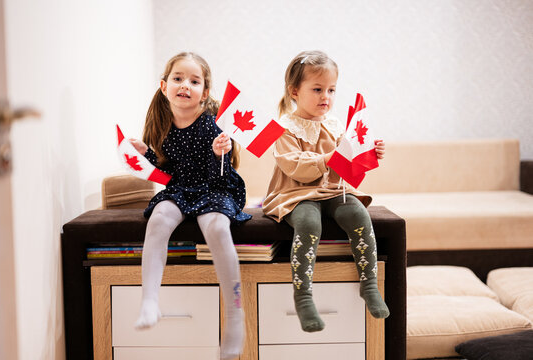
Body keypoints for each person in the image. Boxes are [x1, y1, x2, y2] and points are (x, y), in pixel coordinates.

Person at [130, 52, 250, 359]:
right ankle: (150, 300)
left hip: (215, 186)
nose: (185, 85)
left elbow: (219, 174)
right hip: (182, 188)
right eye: (178, 78)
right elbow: (168, 170)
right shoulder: (162, 123)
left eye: (194, 81)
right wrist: (147, 154)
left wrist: (218, 152)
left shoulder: (211, 124)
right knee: (158, 220)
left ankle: (235, 316)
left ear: (204, 93)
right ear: (164, 85)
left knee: (217, 227)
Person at [262, 50, 389, 333]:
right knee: (309, 222)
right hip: (296, 193)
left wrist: (371, 152)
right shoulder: (283, 128)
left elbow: (347, 160)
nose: (326, 97)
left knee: (357, 213)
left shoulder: (333, 125)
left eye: (331, 90)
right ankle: (303, 296)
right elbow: (294, 167)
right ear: (295, 91)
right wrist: (327, 158)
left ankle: (369, 284)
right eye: (317, 89)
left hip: (332, 190)